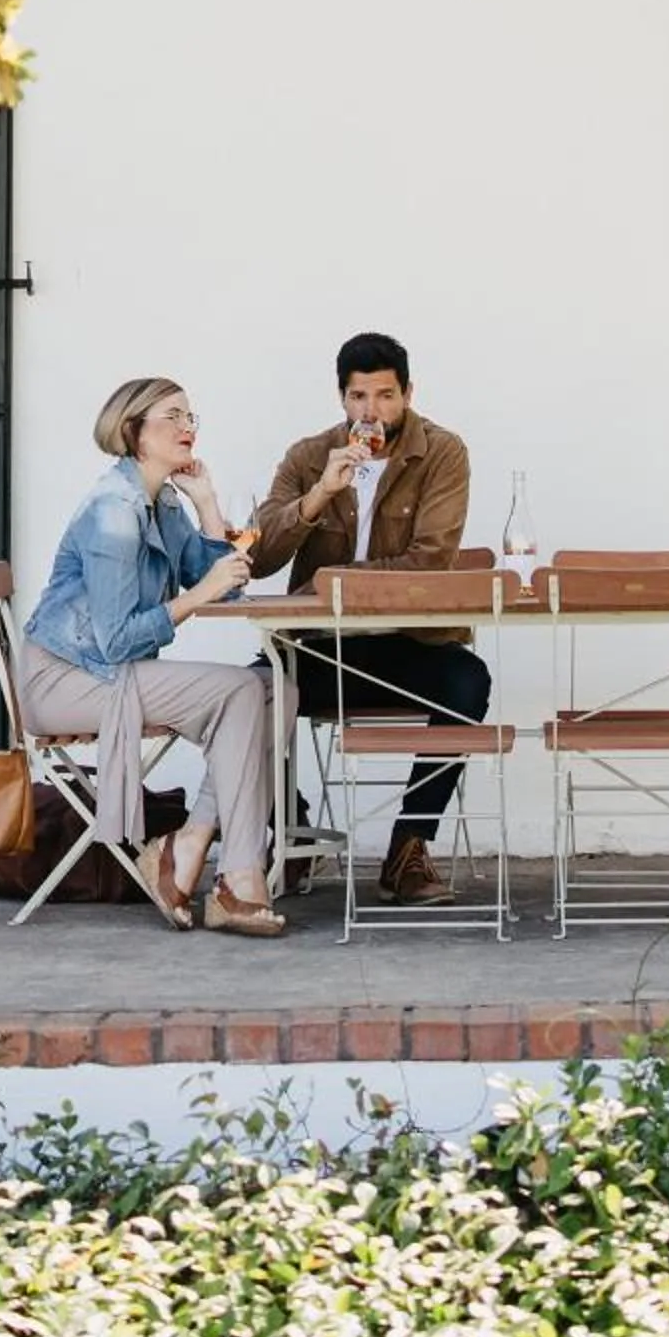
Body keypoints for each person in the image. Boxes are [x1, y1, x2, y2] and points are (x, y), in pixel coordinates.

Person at [21, 375, 285, 935]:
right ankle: (239, 878)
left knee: (275, 689)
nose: (188, 427)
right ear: (133, 431)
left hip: (111, 672)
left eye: (192, 417)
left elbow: (226, 586)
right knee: (242, 690)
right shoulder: (114, 512)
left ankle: (187, 847)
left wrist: (208, 502)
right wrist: (196, 596)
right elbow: (118, 640)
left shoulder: (162, 500)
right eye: (173, 416)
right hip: (69, 679)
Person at [252, 330, 486, 907]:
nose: (371, 411)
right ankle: (294, 835)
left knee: (467, 682)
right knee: (248, 695)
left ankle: (409, 850)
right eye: (359, 397)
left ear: (407, 393)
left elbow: (430, 559)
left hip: (411, 640)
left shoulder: (443, 452)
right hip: (320, 646)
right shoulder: (308, 457)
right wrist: (318, 496)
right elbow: (257, 557)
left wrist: (329, 584)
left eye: (384, 396)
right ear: (341, 398)